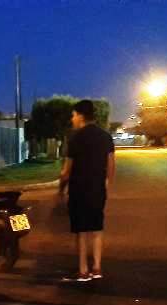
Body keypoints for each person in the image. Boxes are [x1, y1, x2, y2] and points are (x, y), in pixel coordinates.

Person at [60, 100, 115, 282]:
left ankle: (83, 270)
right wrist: (107, 183)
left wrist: (61, 184)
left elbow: (67, 170)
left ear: (81, 116)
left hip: (78, 190)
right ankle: (97, 268)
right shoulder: (105, 137)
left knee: (81, 231)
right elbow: (111, 165)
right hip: (97, 189)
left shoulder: (75, 138)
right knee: (97, 228)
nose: (72, 119)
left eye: (74, 115)